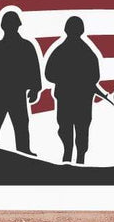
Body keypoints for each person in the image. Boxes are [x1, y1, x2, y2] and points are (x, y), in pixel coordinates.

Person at [0, 9, 41, 155]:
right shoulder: (1, 47)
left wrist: (35, 88)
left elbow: (33, 68)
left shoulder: (24, 46)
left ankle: (24, 153)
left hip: (13, 93)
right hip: (1, 93)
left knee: (20, 127)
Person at [44, 15, 102, 164]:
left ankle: (76, 158)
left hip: (73, 98)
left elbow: (94, 77)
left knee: (75, 130)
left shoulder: (63, 51)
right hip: (72, 98)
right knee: (70, 129)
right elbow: (49, 74)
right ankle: (71, 157)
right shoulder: (86, 52)